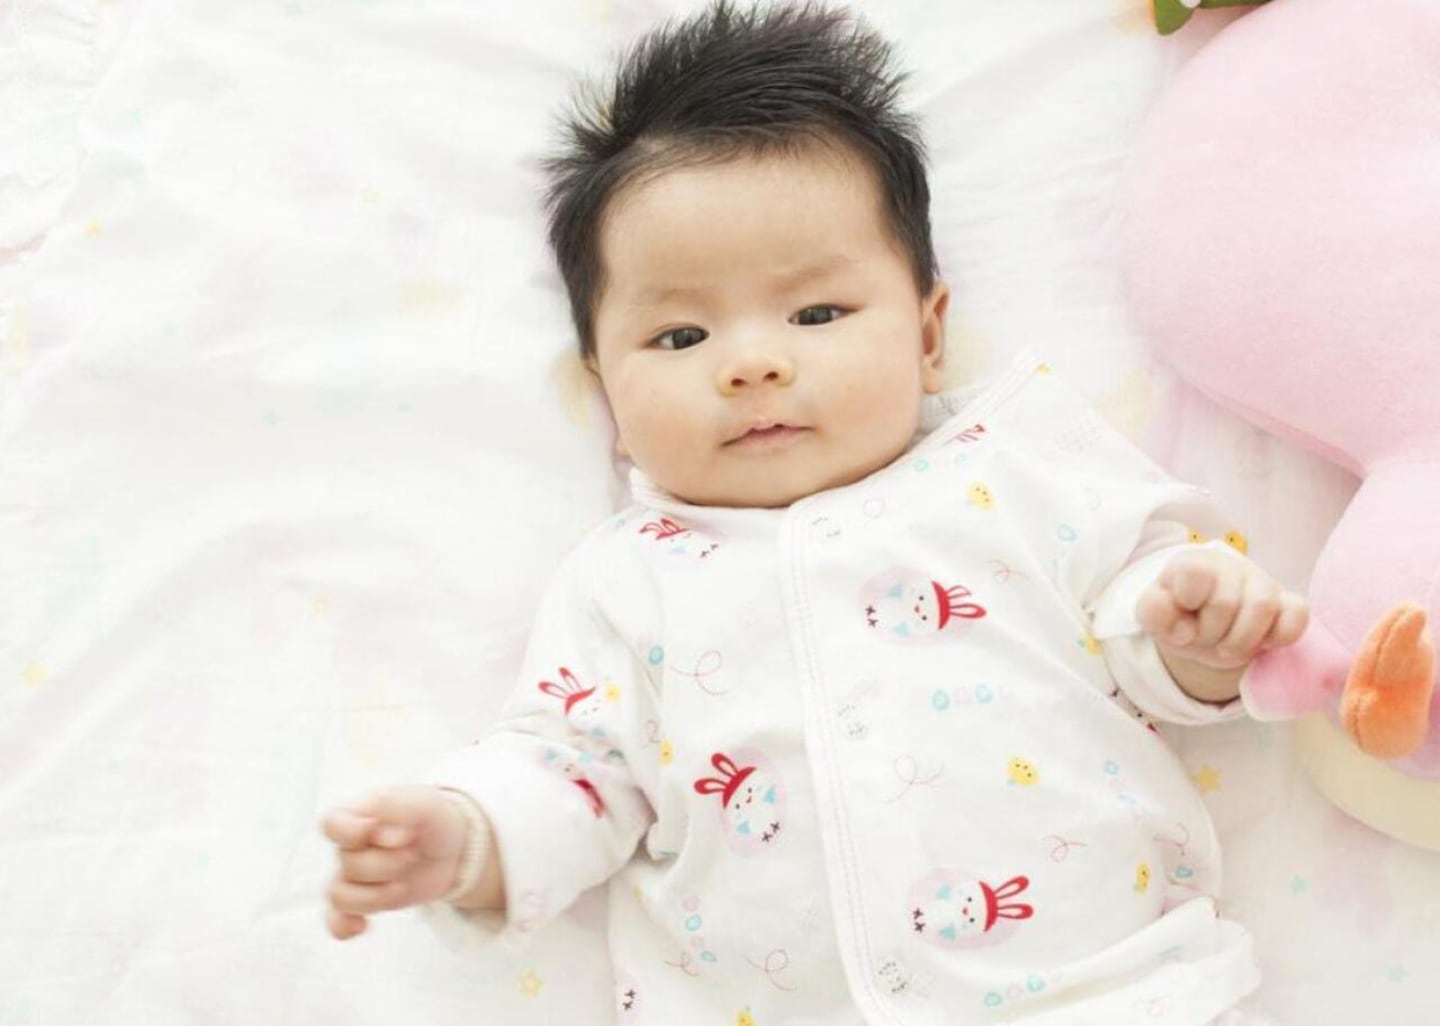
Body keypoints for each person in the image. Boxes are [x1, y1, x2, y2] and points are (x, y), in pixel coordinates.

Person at [320, 3, 1306, 1022]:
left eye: (817, 313)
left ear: (929, 335)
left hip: (1108, 995)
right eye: (681, 336)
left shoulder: (1017, 469)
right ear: (607, 393)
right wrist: (469, 836)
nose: (753, 363)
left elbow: (1147, 624)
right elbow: (570, 771)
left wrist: (1196, 629)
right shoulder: (624, 582)